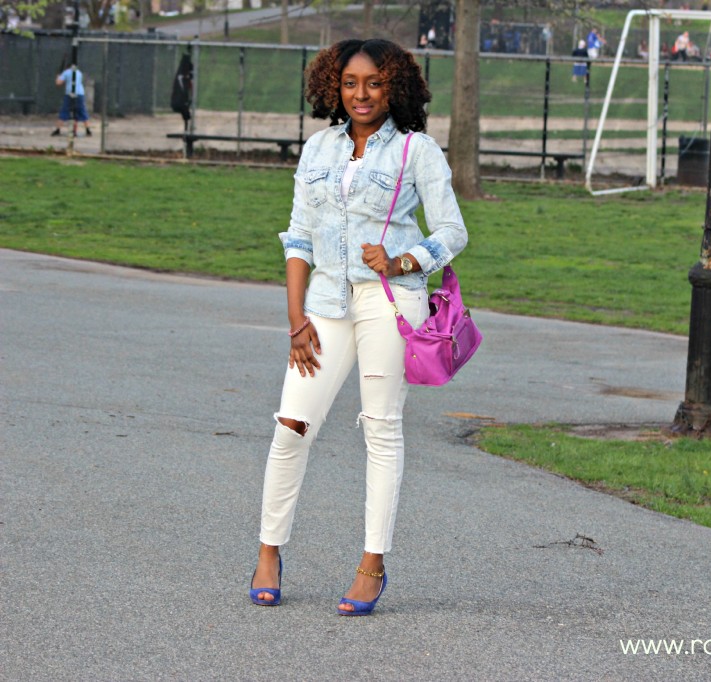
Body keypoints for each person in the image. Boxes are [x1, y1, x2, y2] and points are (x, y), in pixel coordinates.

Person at [248, 38, 469, 616]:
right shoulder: (318, 148)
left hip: (389, 302)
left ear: (394, 86)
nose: (362, 94)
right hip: (323, 304)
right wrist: (296, 319)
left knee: (380, 428)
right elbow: (298, 235)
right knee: (291, 425)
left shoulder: (417, 151)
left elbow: (451, 231)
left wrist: (402, 260)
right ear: (334, 87)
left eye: (374, 82)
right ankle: (269, 551)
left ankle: (372, 564)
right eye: (350, 83)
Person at [52, 65, 92, 137]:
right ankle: (88, 130)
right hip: (80, 94)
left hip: (69, 94)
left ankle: (57, 130)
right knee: (82, 111)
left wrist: (58, 77)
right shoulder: (79, 72)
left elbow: (58, 83)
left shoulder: (66, 72)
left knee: (64, 111)